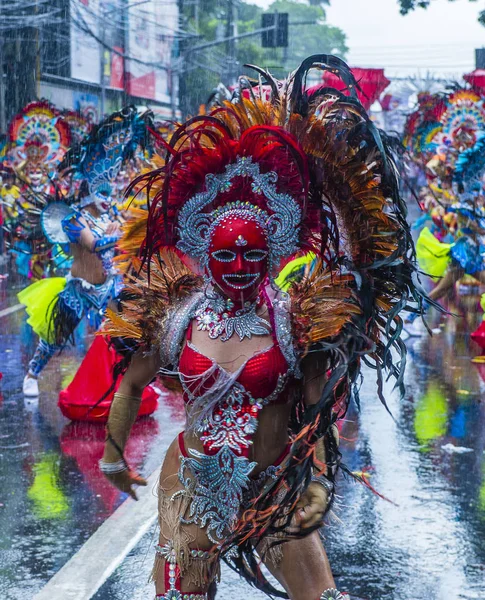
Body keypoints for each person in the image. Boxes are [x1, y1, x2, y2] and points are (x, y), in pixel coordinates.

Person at [100, 56, 423, 600]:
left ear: (273, 249)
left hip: (274, 484)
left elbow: (318, 412)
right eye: (227, 253)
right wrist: (112, 457)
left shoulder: (300, 319)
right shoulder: (177, 316)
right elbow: (131, 385)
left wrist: (318, 482)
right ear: (205, 251)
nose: (240, 264)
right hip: (192, 483)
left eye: (253, 252)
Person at [19, 107, 151, 397]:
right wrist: (122, 234)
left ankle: (129, 385)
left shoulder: (111, 213)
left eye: (110, 194)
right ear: (90, 192)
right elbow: (95, 244)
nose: (109, 200)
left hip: (109, 288)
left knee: (129, 335)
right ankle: (31, 375)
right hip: (79, 290)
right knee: (53, 339)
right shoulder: (73, 219)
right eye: (103, 194)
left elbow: (126, 234)